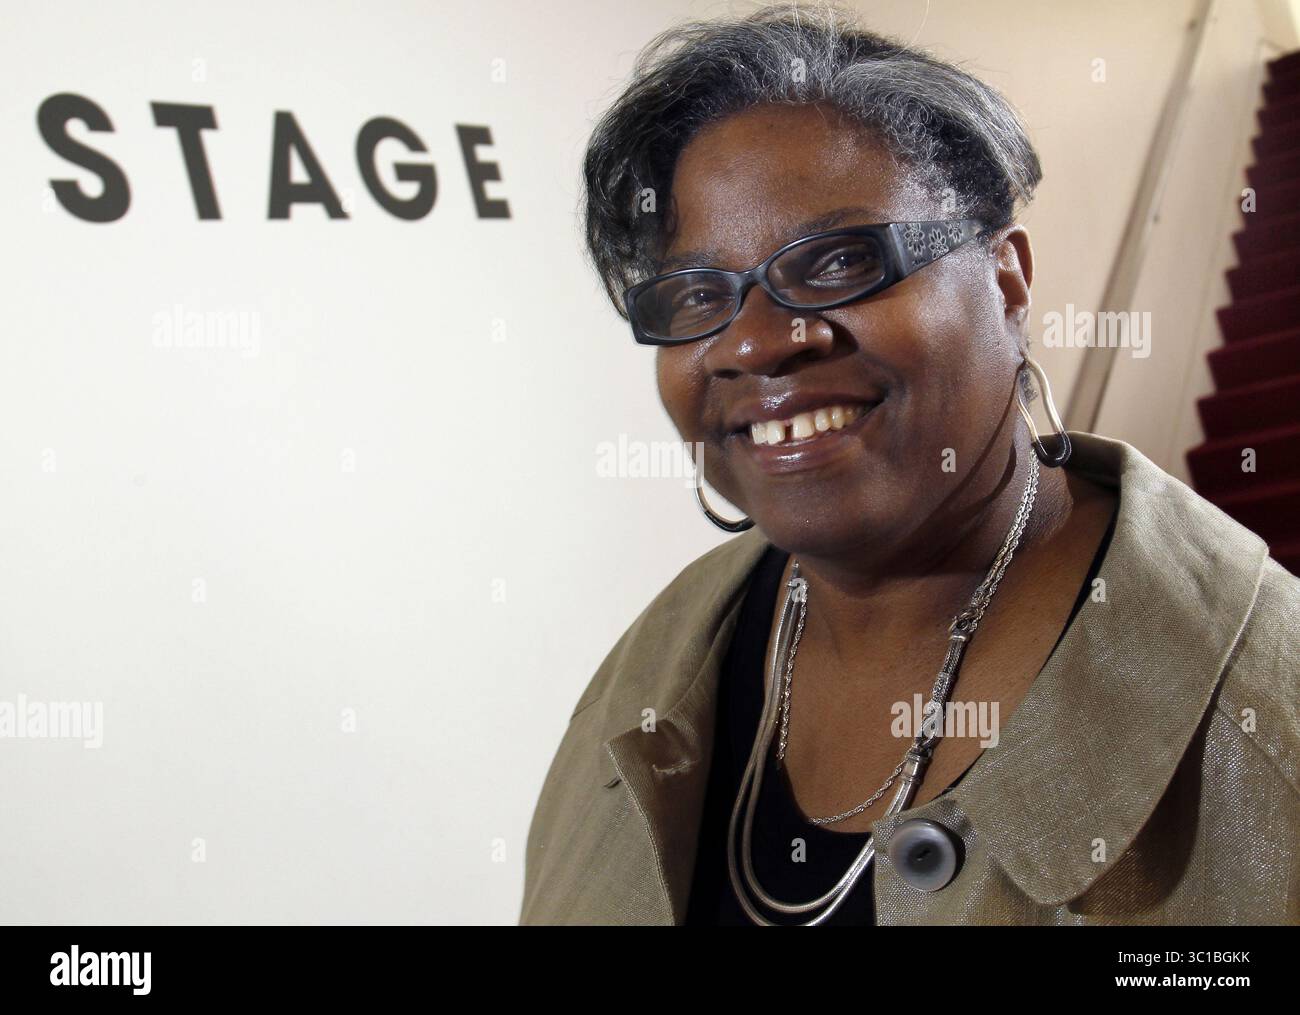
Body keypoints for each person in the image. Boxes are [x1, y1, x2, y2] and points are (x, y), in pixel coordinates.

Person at [520, 3, 1300, 925]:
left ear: (1007, 283)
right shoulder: (647, 679)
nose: (760, 344)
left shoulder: (1267, 728)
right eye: (698, 294)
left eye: (840, 260)